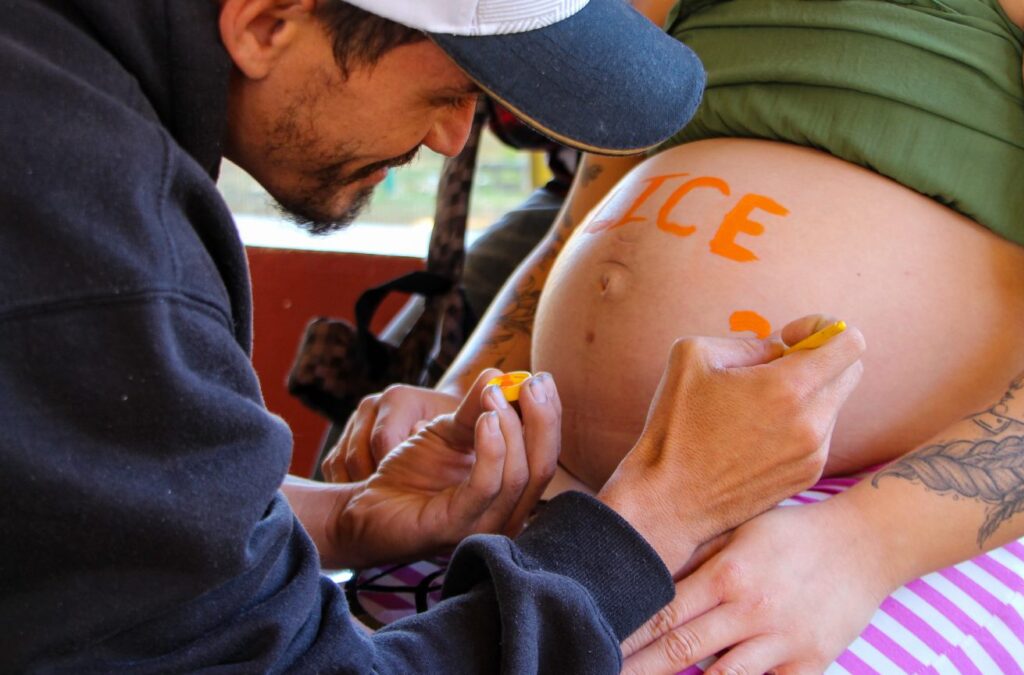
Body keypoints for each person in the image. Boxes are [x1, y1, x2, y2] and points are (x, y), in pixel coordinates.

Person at [323, 0, 1024, 671]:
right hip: (587, 496)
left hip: (880, 520)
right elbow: (578, 230)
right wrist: (471, 397)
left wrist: (865, 546)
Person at [0, 0, 869, 671]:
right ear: (267, 23)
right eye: (451, 86)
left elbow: (73, 535)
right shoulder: (95, 253)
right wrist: (656, 516)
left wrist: (340, 516)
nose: (455, 138)